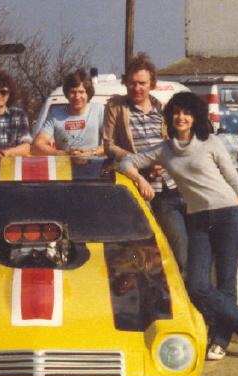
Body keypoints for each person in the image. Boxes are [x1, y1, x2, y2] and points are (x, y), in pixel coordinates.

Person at [119, 92, 238, 361]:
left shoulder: (210, 143)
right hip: (198, 219)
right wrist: (140, 179)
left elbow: (234, 180)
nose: (181, 117)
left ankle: (220, 341)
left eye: (187, 113)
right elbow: (126, 162)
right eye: (176, 112)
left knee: (226, 282)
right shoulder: (164, 150)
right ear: (170, 117)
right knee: (196, 284)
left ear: (195, 117)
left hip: (228, 214)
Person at [103, 52, 188, 271]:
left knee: (186, 245)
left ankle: (186, 287)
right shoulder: (116, 107)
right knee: (157, 248)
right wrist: (141, 163)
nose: (137, 88)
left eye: (142, 83)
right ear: (126, 83)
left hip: (172, 184)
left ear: (151, 84)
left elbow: (173, 141)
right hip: (144, 187)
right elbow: (109, 145)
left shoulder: (162, 108)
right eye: (132, 83)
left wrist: (165, 160)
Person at [32, 69, 104, 157]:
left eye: (81, 92)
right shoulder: (55, 114)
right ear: (66, 94)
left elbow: (111, 144)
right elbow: (37, 145)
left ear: (88, 93)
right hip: (64, 163)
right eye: (73, 92)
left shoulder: (98, 110)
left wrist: (88, 154)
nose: (77, 97)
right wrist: (65, 154)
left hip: (94, 163)